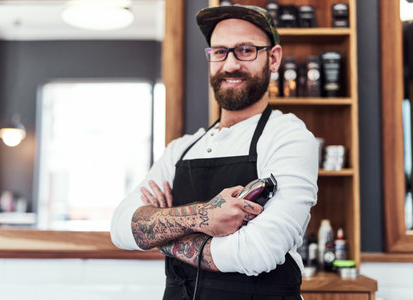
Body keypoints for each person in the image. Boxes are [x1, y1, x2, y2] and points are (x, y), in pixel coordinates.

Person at [111, 4, 318, 300]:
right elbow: (121, 228)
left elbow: (258, 251)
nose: (230, 64)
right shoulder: (179, 149)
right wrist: (201, 217)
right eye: (220, 51)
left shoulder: (288, 136)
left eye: (245, 50)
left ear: (273, 59)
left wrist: (162, 235)